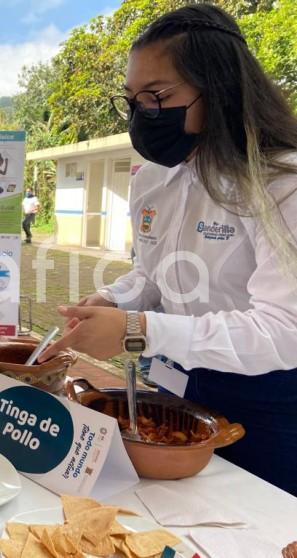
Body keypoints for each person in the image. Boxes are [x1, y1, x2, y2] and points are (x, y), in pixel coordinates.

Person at [40, 5, 297, 496]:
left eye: (157, 97)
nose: (143, 116)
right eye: (132, 101)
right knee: (174, 512)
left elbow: (284, 330)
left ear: (219, 87)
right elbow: (154, 276)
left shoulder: (281, 182)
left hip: (268, 401)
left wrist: (137, 331)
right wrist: (116, 301)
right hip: (175, 381)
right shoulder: (154, 180)